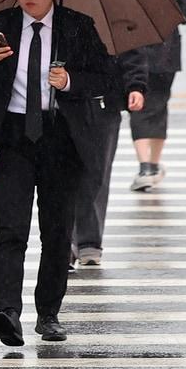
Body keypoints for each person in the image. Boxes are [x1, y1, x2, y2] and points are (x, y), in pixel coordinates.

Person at [0, 0, 115, 346]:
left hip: (60, 138)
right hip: (13, 138)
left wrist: (70, 80)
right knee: (10, 229)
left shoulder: (77, 27)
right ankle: (7, 312)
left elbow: (105, 77)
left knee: (56, 233)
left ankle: (48, 313)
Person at [128, 0, 186, 192]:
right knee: (159, 105)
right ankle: (153, 164)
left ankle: (145, 165)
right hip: (167, 50)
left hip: (137, 47)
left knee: (139, 102)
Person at [69, 51, 147, 266]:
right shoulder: (52, 18)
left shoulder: (111, 20)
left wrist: (136, 86)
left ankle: (88, 241)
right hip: (61, 103)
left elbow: (132, 50)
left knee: (96, 174)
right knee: (63, 176)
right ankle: (65, 242)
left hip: (103, 104)